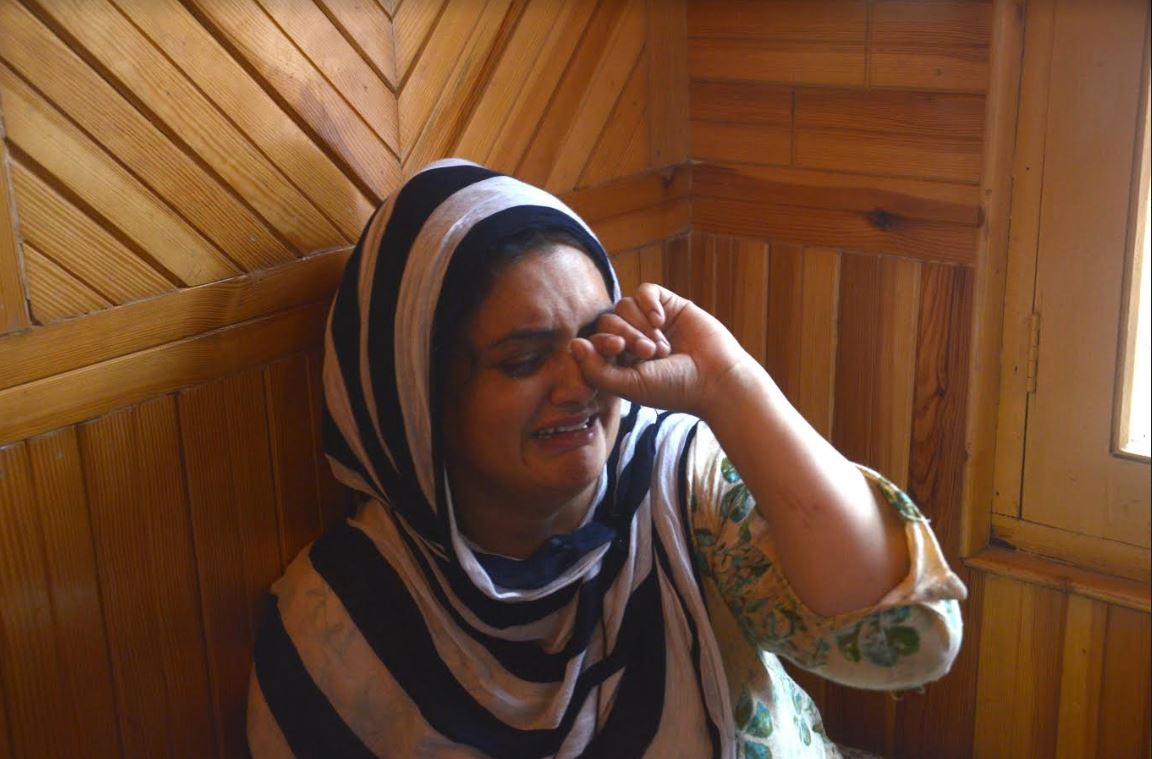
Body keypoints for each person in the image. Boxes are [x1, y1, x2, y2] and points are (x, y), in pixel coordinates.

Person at [247, 159, 967, 758]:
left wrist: (729, 383)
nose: (581, 383)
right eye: (523, 359)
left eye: (597, 339)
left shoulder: (677, 481)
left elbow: (905, 639)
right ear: (418, 397)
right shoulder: (341, 618)